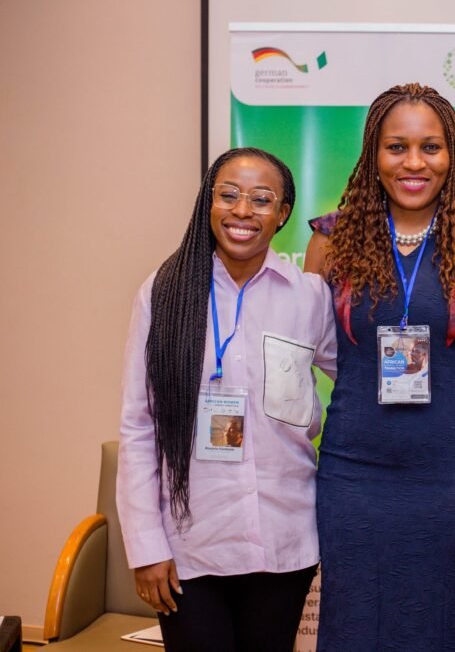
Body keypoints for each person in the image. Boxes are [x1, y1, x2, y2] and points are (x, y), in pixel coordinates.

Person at [304, 83, 455, 650]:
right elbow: (318, 347)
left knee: (452, 618)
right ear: (373, 154)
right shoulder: (332, 238)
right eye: (396, 147)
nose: (413, 163)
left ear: (452, 154)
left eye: (430, 147)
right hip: (356, 467)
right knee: (358, 620)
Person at [117, 147, 337, 651]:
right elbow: (138, 425)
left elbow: (355, 387)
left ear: (282, 213)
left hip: (284, 540)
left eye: (262, 199)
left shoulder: (308, 297)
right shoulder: (163, 293)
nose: (243, 211)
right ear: (208, 202)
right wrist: (146, 547)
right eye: (229, 195)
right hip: (192, 545)